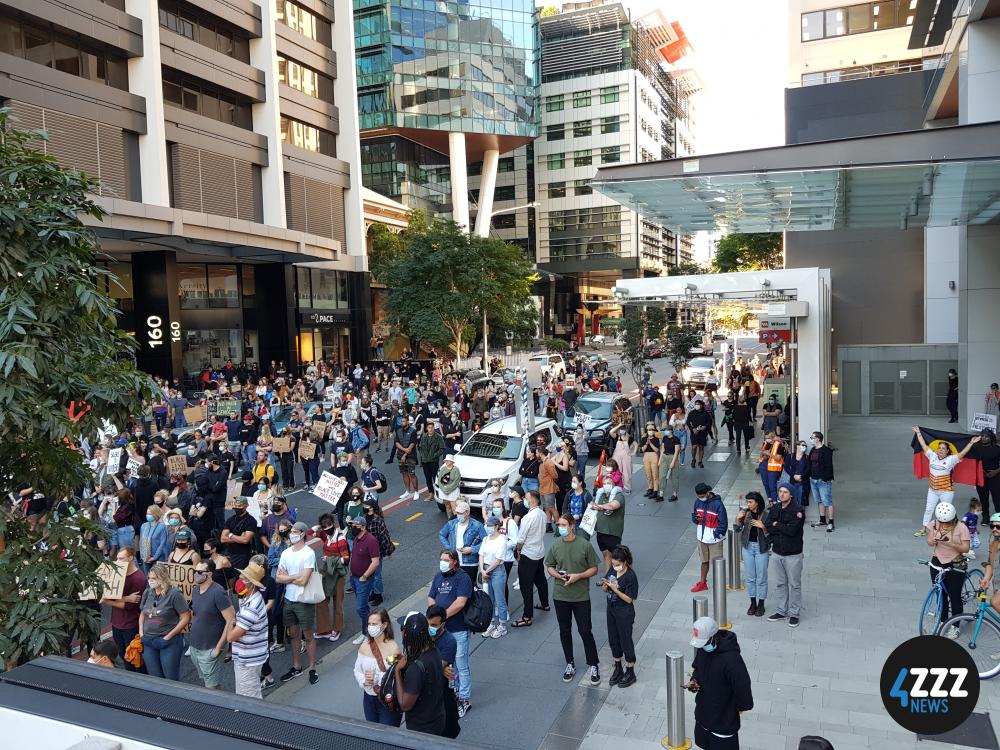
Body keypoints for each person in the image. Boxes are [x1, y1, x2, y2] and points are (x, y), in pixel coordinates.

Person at [545, 513, 601, 684]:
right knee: (564, 630)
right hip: (561, 595)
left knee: (585, 631)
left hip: (580, 596)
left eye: (563, 524)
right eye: (558, 525)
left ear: (571, 526)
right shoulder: (555, 546)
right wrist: (558, 575)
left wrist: (578, 576)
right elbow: (549, 566)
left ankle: (593, 664)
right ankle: (570, 663)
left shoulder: (585, 545)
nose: (560, 527)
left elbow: (594, 569)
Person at [687, 616, 753, 750]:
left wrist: (740, 707)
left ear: (714, 637)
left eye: (704, 642)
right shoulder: (703, 648)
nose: (703, 646)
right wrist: (694, 681)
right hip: (703, 717)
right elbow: (697, 668)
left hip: (723, 723)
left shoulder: (732, 659)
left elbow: (743, 686)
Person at [427, 550, 473, 717]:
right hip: (442, 632)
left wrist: (442, 616)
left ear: (454, 561)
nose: (442, 562)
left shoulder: (463, 578)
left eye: (446, 560)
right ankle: (453, 693)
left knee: (461, 665)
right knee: (446, 664)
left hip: (458, 628)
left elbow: (460, 603)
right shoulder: (439, 576)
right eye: (441, 559)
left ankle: (464, 698)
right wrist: (433, 612)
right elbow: (431, 596)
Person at [912, 426, 980, 537]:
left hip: (946, 491)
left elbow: (962, 453)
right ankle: (924, 529)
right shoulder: (932, 456)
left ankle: (950, 529)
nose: (941, 450)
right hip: (932, 490)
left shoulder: (951, 459)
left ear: (948, 451)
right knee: (928, 509)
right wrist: (919, 433)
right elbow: (924, 446)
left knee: (947, 511)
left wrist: (971, 443)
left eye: (943, 448)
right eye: (939, 448)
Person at [276, 521, 319, 685]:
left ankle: (312, 667)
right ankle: (296, 666)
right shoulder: (286, 553)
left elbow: (304, 580)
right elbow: (278, 578)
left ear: (302, 534)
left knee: (308, 635)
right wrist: (295, 576)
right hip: (289, 599)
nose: (291, 534)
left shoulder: (308, 553)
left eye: (294, 531)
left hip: (304, 600)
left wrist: (288, 577)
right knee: (293, 634)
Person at [395, 613, 447, 736]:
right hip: (438, 717)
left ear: (406, 635)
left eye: (403, 629)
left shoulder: (415, 669)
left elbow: (405, 705)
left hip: (422, 728)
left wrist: (397, 671)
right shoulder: (435, 651)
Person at [139, 562, 191, 681]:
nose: (150, 581)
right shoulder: (147, 592)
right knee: (155, 678)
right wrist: (141, 634)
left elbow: (186, 618)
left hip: (168, 642)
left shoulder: (174, 594)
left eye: (154, 578)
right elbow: (142, 613)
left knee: (170, 679)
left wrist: (167, 637)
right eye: (149, 578)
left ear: (163, 578)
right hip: (148, 641)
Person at [925, 501, 970, 638]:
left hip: (955, 563)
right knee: (940, 593)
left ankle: (955, 626)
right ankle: (943, 621)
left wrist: (951, 543)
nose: (944, 525)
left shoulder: (961, 528)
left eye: (947, 522)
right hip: (937, 561)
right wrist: (932, 541)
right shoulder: (934, 524)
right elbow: (929, 539)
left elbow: (966, 548)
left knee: (954, 596)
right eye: (941, 522)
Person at [189, 559, 236, 690]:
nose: (196, 574)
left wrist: (219, 647)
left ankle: (217, 709)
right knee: (209, 683)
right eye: (195, 571)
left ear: (209, 574)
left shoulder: (218, 592)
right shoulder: (195, 590)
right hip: (196, 646)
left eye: (199, 572)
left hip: (211, 648)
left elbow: (231, 620)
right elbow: (196, 615)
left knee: (212, 687)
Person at [226, 561, 270, 698]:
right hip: (249, 657)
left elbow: (231, 637)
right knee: (246, 693)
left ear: (251, 584)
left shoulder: (251, 607)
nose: (240, 579)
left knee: (249, 697)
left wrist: (230, 623)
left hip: (248, 660)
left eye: (244, 578)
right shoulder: (251, 599)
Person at [100, 546, 146, 672]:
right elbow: (108, 593)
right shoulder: (117, 573)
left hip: (130, 625)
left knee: (134, 657)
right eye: (117, 558)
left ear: (130, 558)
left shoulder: (139, 578)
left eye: (121, 558)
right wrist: (126, 598)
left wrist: (108, 601)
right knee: (123, 656)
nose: (117, 561)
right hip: (117, 623)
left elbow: (131, 606)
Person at [765, 483, 806, 627]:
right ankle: (782, 611)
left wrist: (778, 525)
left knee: (794, 584)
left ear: (791, 494)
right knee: (781, 583)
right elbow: (768, 526)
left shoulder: (798, 511)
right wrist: (778, 526)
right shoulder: (775, 508)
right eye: (780, 491)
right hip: (777, 552)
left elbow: (792, 531)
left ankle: (794, 613)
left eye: (785, 492)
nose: (781, 494)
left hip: (793, 554)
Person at [354, 607, 403, 726]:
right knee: (373, 733)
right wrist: (365, 680)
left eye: (374, 624)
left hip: (387, 698)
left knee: (388, 734)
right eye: (369, 624)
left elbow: (396, 676)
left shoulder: (393, 648)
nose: (371, 627)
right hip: (369, 698)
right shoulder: (364, 646)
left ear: (384, 625)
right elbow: (357, 670)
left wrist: (378, 678)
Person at [599, 545, 638, 688]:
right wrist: (605, 585)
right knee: (613, 638)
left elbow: (629, 599)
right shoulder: (612, 571)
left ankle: (630, 669)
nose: (615, 567)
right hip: (612, 609)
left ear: (625, 562)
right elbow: (605, 588)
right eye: (614, 564)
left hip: (624, 612)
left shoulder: (630, 576)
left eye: (618, 565)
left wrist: (615, 589)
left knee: (625, 639)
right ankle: (617, 667)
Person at [512, 491, 549, 628]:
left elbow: (521, 538)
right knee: (540, 579)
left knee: (526, 586)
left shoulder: (528, 518)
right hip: (539, 551)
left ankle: (527, 616)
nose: (524, 500)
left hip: (528, 554)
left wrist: (518, 549)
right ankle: (545, 604)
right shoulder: (542, 514)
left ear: (532, 500)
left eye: (526, 498)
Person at [734, 492, 770, 616]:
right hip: (748, 547)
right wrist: (738, 520)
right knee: (750, 577)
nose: (748, 504)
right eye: (747, 502)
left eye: (750, 502)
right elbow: (737, 530)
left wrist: (763, 527)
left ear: (757, 503)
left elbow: (771, 535)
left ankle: (761, 604)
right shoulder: (745, 513)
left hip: (761, 549)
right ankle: (752, 602)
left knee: (762, 578)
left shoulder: (766, 515)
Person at [348, 515, 382, 646]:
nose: (353, 528)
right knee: (363, 607)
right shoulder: (357, 538)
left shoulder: (371, 540)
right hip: (354, 578)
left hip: (363, 580)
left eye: (355, 526)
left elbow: (375, 562)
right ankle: (368, 631)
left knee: (360, 608)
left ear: (363, 527)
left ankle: (371, 631)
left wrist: (364, 576)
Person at [691, 482, 727, 594]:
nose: (700, 498)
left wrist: (716, 534)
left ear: (707, 493)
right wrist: (696, 518)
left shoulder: (718, 504)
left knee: (717, 564)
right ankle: (702, 583)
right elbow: (695, 517)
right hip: (701, 538)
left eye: (702, 496)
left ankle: (719, 585)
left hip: (714, 540)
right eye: (699, 496)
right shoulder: (697, 502)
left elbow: (723, 523)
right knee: (704, 561)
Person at [479, 516, 511, 638]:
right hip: (486, 570)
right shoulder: (486, 539)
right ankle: (491, 623)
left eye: (490, 526)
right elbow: (481, 555)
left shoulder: (502, 540)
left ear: (497, 526)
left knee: (500, 600)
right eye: (487, 525)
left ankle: (502, 626)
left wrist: (486, 571)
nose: (488, 528)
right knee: (489, 600)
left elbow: (498, 560)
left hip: (497, 571)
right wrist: (482, 570)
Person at [437, 500, 485, 582]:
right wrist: (449, 547)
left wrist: (472, 549)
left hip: (470, 562)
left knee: (469, 585)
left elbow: (486, 542)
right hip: (455, 562)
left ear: (467, 512)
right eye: (457, 513)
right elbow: (442, 535)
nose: (458, 515)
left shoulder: (477, 525)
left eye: (461, 513)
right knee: (454, 585)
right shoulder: (451, 524)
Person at [593, 476, 627, 572]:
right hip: (600, 531)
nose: (606, 485)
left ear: (614, 485)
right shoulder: (601, 495)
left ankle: (623, 575)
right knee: (606, 554)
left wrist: (599, 506)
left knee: (617, 556)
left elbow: (613, 505)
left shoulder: (619, 495)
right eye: (604, 483)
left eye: (609, 483)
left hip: (612, 532)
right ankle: (608, 576)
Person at [806, 431, 835, 532]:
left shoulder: (826, 451)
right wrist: (810, 476)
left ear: (818, 439)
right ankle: (822, 520)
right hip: (813, 480)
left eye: (812, 437)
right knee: (819, 501)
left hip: (823, 481)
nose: (811, 439)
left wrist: (824, 478)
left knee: (827, 501)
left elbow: (829, 466)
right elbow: (810, 463)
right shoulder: (813, 449)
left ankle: (831, 522)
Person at [222, 496, 259, 572]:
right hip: (229, 554)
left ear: (246, 506)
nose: (237, 508)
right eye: (235, 506)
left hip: (242, 556)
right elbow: (222, 539)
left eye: (239, 506)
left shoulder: (251, 521)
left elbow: (245, 540)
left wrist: (230, 535)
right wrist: (239, 538)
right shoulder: (230, 519)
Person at [138, 505, 170, 573]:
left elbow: (163, 544)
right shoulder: (144, 526)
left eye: (150, 514)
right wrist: (142, 556)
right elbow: (141, 541)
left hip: (158, 558)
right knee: (148, 578)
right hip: (145, 558)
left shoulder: (162, 527)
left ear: (155, 514)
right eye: (147, 514)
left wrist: (154, 557)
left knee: (157, 578)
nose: (148, 515)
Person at [756, 432, 786, 504]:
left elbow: (778, 458)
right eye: (766, 438)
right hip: (764, 465)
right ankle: (771, 501)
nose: (767, 439)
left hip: (773, 467)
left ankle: (775, 503)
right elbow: (761, 454)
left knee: (772, 485)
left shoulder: (779, 444)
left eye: (769, 438)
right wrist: (764, 454)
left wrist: (769, 454)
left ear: (773, 437)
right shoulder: (766, 443)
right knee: (766, 484)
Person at [977, 429, 1000, 520]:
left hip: (995, 476)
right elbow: (972, 462)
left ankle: (998, 517)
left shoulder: (997, 449)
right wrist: (981, 471)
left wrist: (996, 471)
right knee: (983, 498)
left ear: (991, 438)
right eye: (982, 436)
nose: (984, 438)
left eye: (986, 436)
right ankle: (985, 516)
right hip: (981, 477)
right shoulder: (976, 448)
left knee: (997, 498)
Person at [395, 415, 420, 500]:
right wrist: (403, 450)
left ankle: (416, 492)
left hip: (410, 456)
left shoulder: (413, 431)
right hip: (400, 455)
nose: (402, 423)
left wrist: (405, 454)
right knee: (404, 473)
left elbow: (412, 444)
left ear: (408, 422)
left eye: (404, 421)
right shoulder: (398, 431)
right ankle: (407, 491)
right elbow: (397, 443)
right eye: (401, 421)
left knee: (412, 474)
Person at [657, 425, 682, 503]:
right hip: (664, 456)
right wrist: (660, 459)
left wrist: (673, 462)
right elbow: (662, 449)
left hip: (672, 457)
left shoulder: (676, 439)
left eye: (666, 430)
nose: (665, 431)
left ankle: (675, 494)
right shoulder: (664, 438)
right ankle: (661, 493)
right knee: (662, 475)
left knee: (674, 477)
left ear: (671, 431)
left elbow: (676, 452)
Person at [687, 400, 712, 469]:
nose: (696, 405)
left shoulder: (705, 413)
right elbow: (688, 422)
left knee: (701, 447)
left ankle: (700, 461)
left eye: (698, 404)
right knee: (694, 447)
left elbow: (709, 422)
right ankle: (693, 459)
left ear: (701, 405)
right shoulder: (692, 413)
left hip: (702, 433)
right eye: (696, 404)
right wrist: (693, 429)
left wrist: (705, 426)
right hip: (694, 432)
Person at [610, 426, 635, 493]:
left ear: (626, 430)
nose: (622, 431)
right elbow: (611, 432)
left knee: (627, 473)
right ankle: (616, 487)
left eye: (623, 429)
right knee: (616, 471)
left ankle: (628, 488)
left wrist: (633, 453)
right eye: (621, 429)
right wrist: (619, 425)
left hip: (626, 457)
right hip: (617, 456)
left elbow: (636, 444)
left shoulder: (629, 438)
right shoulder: (617, 436)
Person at [640, 423, 660, 498]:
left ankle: (655, 490)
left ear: (654, 430)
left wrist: (650, 443)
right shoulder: (644, 438)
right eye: (648, 430)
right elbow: (642, 449)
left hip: (654, 455)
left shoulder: (656, 439)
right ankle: (650, 488)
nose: (650, 431)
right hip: (646, 456)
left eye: (651, 429)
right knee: (648, 474)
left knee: (655, 474)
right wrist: (646, 443)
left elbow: (657, 450)